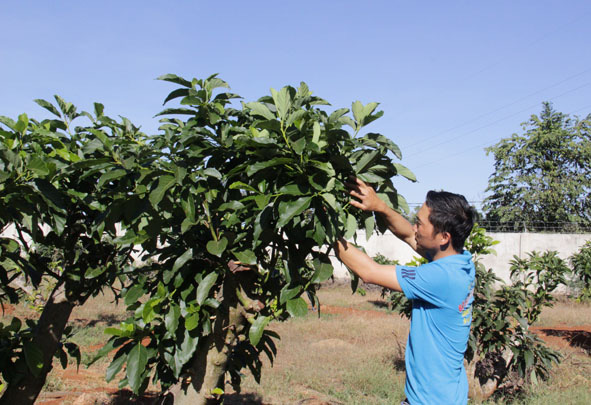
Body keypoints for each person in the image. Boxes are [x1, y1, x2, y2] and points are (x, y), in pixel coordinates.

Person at [334, 178, 477, 405]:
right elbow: (409, 236)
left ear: (443, 237)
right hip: (448, 396)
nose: (414, 227)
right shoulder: (462, 261)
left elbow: (369, 272)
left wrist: (327, 230)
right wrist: (379, 206)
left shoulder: (440, 278)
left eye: (420, 224)